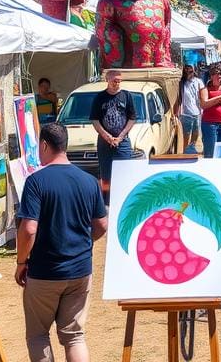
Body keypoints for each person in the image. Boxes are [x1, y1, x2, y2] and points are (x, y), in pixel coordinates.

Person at [16, 122, 108, 362]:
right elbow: (102, 225)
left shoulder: (36, 182)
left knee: (38, 335)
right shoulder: (89, 181)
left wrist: (21, 262)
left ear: (45, 145)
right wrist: (83, 242)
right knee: (74, 336)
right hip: (80, 271)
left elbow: (28, 229)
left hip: (44, 272)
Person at [89, 70, 136, 202]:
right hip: (104, 142)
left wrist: (120, 137)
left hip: (123, 141)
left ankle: (124, 200)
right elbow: (94, 119)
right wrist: (107, 136)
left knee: (124, 173)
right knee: (106, 176)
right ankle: (107, 202)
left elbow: (132, 118)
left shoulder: (126, 96)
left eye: (119, 81)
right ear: (107, 80)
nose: (117, 83)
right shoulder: (99, 98)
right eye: (114, 80)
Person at [174, 65, 202, 153]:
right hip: (186, 114)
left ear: (194, 72)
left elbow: (202, 96)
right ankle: (185, 153)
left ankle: (191, 149)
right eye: (186, 72)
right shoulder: (181, 83)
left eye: (190, 72)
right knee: (186, 136)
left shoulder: (198, 82)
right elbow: (179, 99)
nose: (188, 74)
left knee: (196, 134)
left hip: (197, 113)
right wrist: (176, 113)